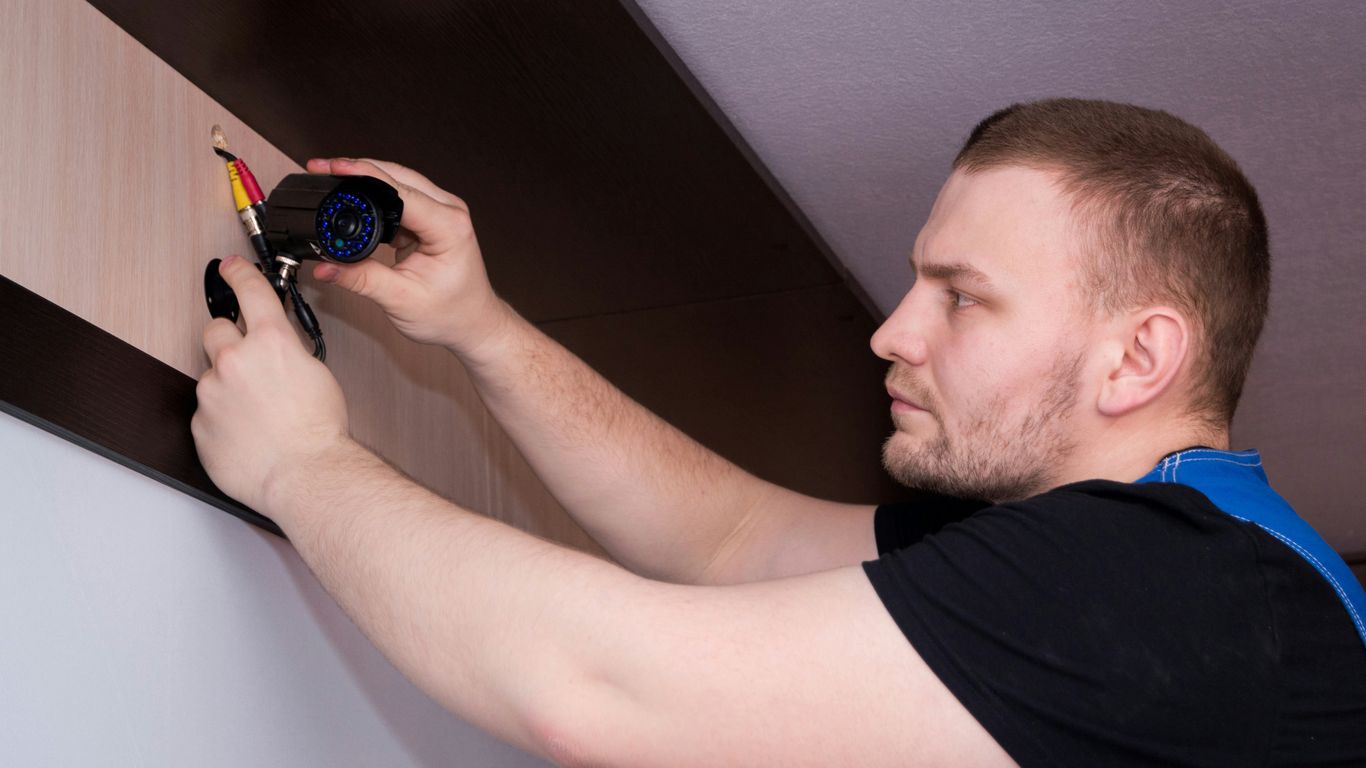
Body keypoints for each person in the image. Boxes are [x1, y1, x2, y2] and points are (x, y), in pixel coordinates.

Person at [191, 98, 1366, 766]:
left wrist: (302, 464)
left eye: (961, 296)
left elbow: (600, 685)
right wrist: (484, 330)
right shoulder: (1182, 562)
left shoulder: (1175, 587)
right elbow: (730, 538)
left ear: (1139, 358)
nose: (892, 332)